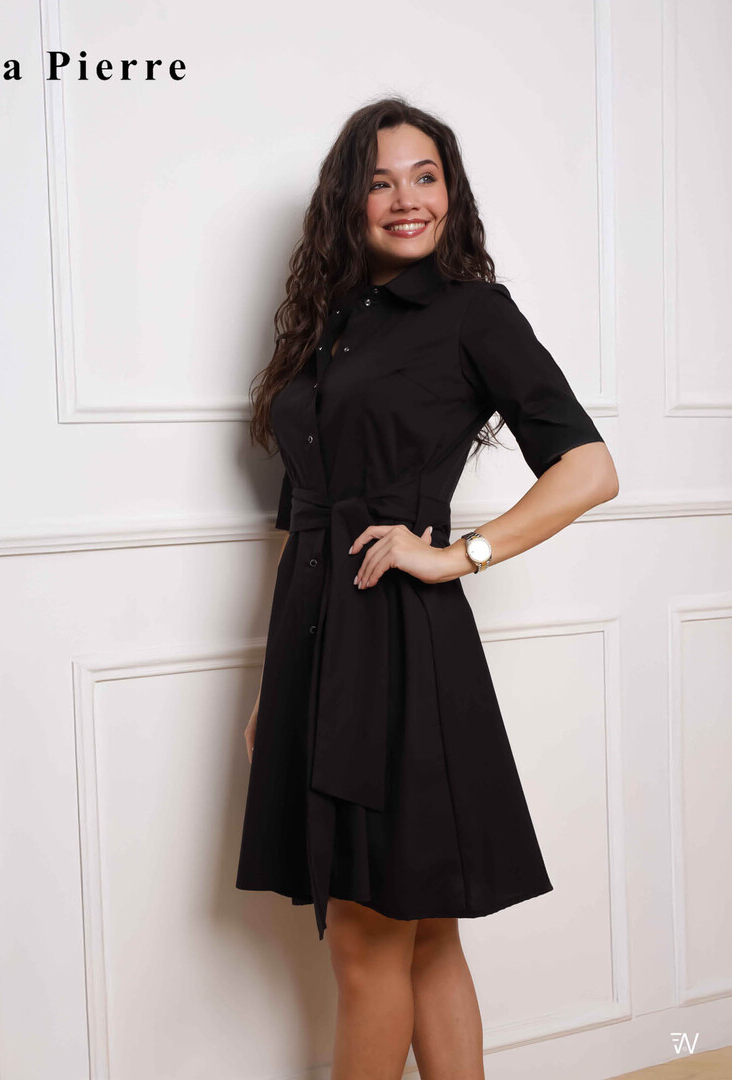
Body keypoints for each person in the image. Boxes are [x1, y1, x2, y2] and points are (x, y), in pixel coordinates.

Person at [235, 96, 619, 1080]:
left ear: (452, 191)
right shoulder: (326, 325)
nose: (407, 199)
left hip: (401, 650)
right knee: (425, 936)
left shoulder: (471, 313)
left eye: (426, 176)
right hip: (315, 651)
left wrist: (459, 554)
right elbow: (300, 524)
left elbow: (589, 468)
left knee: (371, 949)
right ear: (347, 200)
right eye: (380, 181)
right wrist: (272, 689)